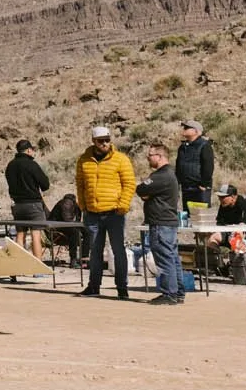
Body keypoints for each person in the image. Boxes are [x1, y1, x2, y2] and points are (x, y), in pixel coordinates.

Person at [74, 126, 136, 299]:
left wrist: (123, 205)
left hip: (114, 213)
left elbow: (129, 184)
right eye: (101, 141)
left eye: (107, 140)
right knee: (95, 251)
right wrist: (83, 205)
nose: (105, 144)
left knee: (118, 250)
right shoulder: (83, 160)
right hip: (92, 213)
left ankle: (122, 288)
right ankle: (94, 287)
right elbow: (80, 184)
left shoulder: (121, 159)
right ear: (93, 141)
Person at [135, 143, 184, 305]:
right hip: (167, 223)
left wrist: (147, 194)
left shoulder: (161, 176)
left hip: (161, 223)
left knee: (164, 259)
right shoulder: (169, 174)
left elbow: (141, 189)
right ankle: (177, 293)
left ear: (160, 156)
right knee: (172, 258)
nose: (148, 158)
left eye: (150, 155)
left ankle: (169, 293)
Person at [5, 139, 52, 260]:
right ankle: (37, 266)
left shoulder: (10, 165)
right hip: (33, 204)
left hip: (17, 205)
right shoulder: (32, 164)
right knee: (36, 234)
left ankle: (18, 264)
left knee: (20, 234)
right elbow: (45, 185)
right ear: (29, 150)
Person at [176, 121, 215, 212]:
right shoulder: (182, 147)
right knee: (188, 215)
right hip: (186, 187)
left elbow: (208, 167)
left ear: (196, 131)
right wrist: (177, 182)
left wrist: (204, 184)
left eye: (187, 128)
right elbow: (178, 165)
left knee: (201, 215)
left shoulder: (205, 145)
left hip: (199, 188)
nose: (184, 129)